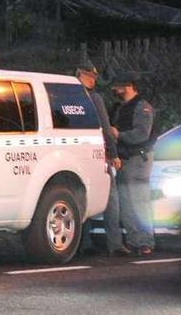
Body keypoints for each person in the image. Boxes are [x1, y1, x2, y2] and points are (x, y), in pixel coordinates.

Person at [76, 62, 130, 256]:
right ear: (82, 75)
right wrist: (113, 154)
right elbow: (105, 127)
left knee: (80, 198)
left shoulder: (64, 95)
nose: (93, 80)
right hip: (97, 155)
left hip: (74, 155)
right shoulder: (94, 97)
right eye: (91, 76)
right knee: (111, 198)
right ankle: (115, 244)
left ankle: (83, 243)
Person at [110, 73, 156, 256]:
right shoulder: (121, 107)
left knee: (138, 201)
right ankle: (135, 241)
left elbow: (141, 134)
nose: (115, 89)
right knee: (126, 202)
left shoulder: (142, 107)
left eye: (118, 86)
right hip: (124, 159)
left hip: (137, 159)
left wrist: (118, 135)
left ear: (129, 86)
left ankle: (145, 242)